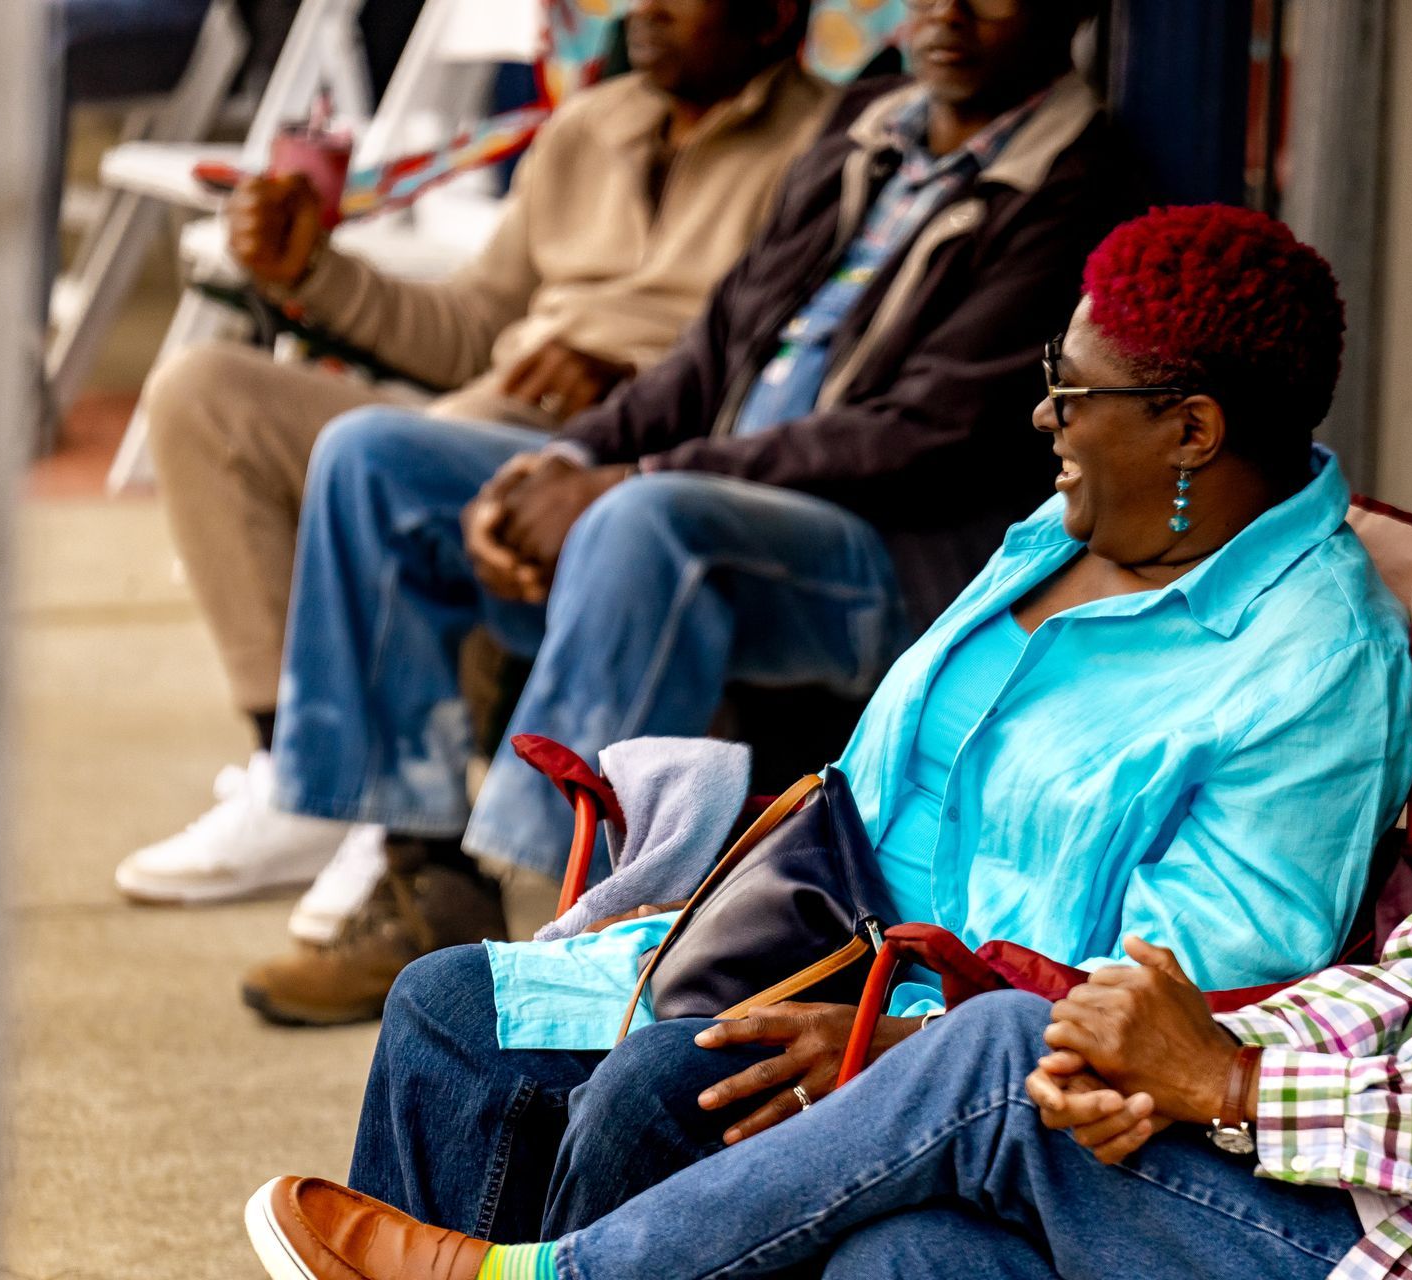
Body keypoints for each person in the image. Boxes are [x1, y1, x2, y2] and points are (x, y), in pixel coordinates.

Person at [247, 419, 1412, 1280]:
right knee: (889, 1259)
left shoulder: (1313, 659)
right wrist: (1156, 1062)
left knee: (870, 1064)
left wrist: (1226, 1079)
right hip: (1275, 1141)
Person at [262, 204, 1412, 1250]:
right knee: (448, 1005)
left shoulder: (1316, 663)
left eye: (1073, 390)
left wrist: (898, 1043)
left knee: (666, 1089)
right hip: (808, 939)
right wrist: (724, 904)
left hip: (949, 1049)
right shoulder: (1068, 529)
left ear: (1193, 430)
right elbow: (879, 784)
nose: (1042, 413)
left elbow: (1183, 991)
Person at [235, 0, 1160, 1026]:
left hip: (895, 557)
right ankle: (422, 874)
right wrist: (564, 460)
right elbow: (711, 351)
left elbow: (919, 435)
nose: (946, 12)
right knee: (380, 457)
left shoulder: (1078, 181)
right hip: (725, 493)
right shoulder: (870, 135)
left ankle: (551, 926)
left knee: (648, 525)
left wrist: (625, 483)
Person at [116, 0, 836, 937]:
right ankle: (290, 777)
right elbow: (470, 328)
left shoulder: (827, 147)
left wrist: (628, 383)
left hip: (638, 455)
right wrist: (311, 275)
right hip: (483, 417)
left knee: (381, 459)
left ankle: (400, 833)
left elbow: (799, 369)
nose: (646, 12)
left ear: (775, 15)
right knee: (201, 391)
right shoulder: (590, 123)